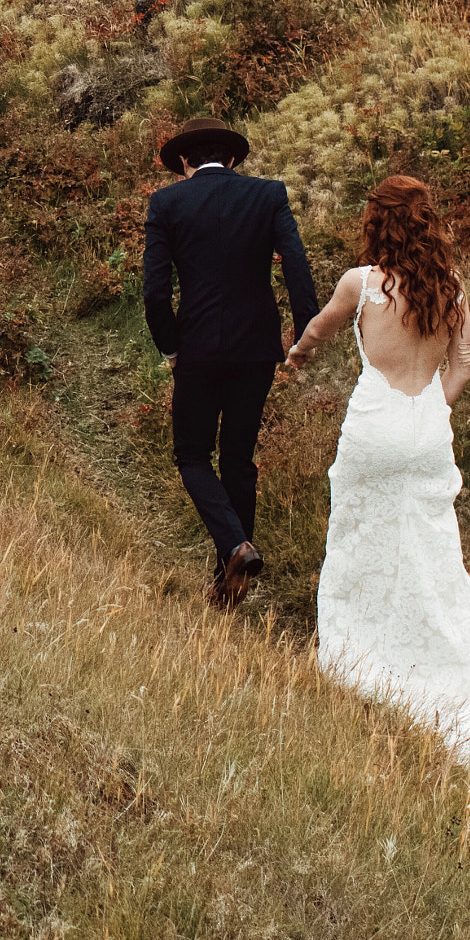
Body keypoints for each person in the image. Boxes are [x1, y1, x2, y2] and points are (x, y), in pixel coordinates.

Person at [286, 174, 470, 768]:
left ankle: (361, 660)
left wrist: (297, 355)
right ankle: (446, 670)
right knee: (432, 552)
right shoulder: (452, 288)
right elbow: (465, 366)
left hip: (373, 427)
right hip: (426, 429)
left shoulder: (362, 285)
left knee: (360, 537)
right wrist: (428, 411)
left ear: (377, 221)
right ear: (426, 221)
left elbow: (319, 329)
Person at [144, 115, 319, 607]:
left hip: (197, 348)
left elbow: (156, 293)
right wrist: (304, 331)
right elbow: (297, 265)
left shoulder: (167, 202)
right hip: (257, 347)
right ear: (235, 159)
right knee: (238, 456)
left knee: (192, 455)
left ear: (184, 161)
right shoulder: (268, 195)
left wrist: (171, 347)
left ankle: (235, 547)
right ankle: (230, 577)